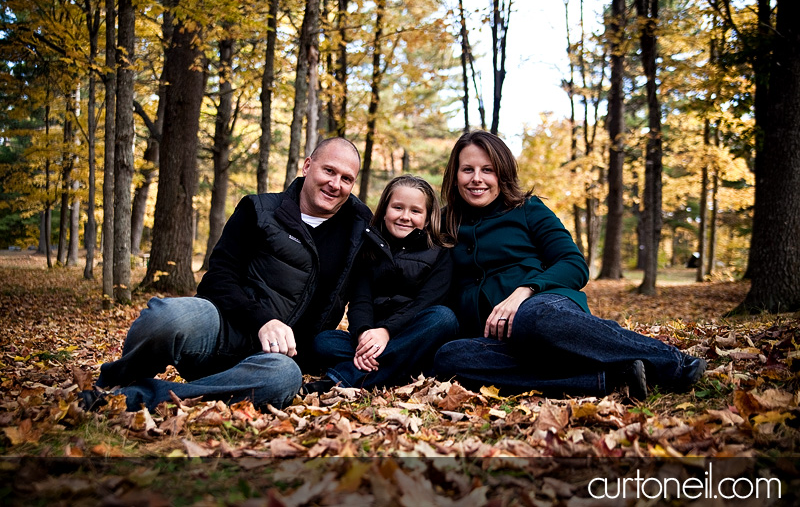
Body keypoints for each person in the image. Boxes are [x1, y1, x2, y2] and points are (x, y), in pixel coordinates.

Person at [84, 137, 372, 412]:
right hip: (222, 332)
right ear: (308, 166)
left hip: (274, 359)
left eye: (346, 178)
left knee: (282, 380)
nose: (335, 184)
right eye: (329, 171)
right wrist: (262, 321)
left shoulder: (359, 231)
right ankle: (114, 384)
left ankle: (138, 397)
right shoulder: (259, 210)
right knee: (167, 316)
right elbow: (217, 279)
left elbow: (376, 287)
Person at [433, 130, 706, 400]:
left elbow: (574, 263)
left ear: (502, 173)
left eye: (488, 169)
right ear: (455, 175)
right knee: (449, 357)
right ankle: (610, 376)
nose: (477, 178)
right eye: (467, 169)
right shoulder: (442, 222)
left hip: (544, 308)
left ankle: (674, 363)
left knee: (532, 319)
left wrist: (524, 291)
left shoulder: (527, 208)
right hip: (496, 339)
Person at [308, 175, 458, 393]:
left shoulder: (439, 252)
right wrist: (364, 336)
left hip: (412, 334)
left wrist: (387, 332)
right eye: (397, 207)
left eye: (415, 211)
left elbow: (426, 303)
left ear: (426, 219)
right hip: (376, 337)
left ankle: (345, 377)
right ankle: (399, 367)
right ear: (385, 210)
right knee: (324, 342)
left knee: (444, 318)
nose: (405, 216)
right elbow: (361, 301)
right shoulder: (369, 249)